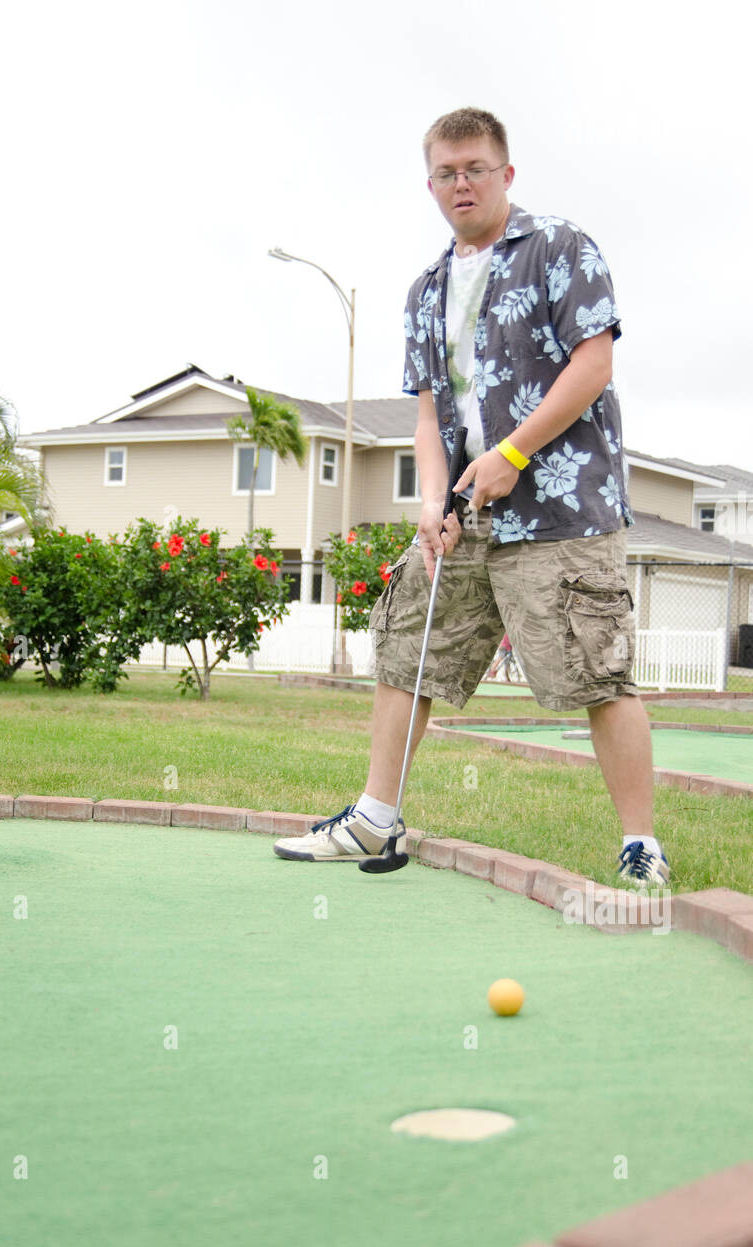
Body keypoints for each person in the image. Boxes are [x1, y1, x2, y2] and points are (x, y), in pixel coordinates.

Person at [274, 106, 669, 885]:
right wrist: (429, 501)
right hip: (462, 515)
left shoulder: (558, 246)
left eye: (475, 168)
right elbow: (428, 411)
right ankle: (373, 822)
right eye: (446, 173)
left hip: (562, 513)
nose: (461, 183)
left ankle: (640, 847)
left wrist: (515, 451)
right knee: (403, 656)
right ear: (430, 183)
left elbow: (592, 364)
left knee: (596, 673)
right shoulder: (425, 289)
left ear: (505, 174)